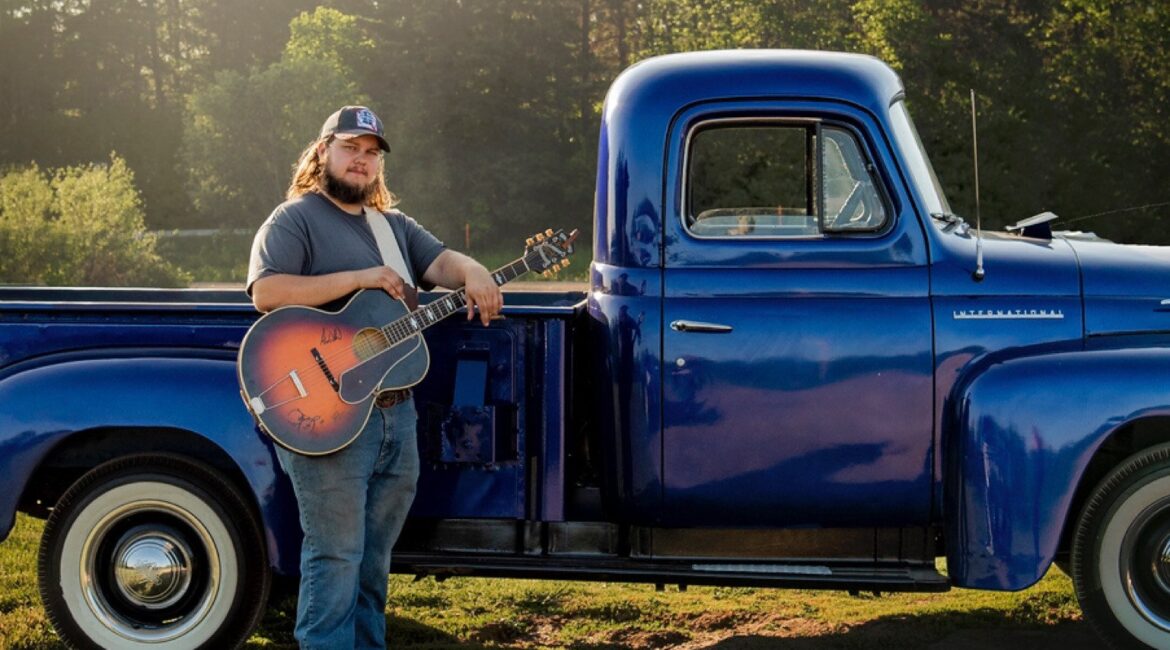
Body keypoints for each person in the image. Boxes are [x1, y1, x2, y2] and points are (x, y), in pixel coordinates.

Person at [246, 105, 502, 649]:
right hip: (326, 411)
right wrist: (361, 277)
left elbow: (442, 263)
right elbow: (267, 293)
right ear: (322, 152)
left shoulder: (393, 228)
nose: (361, 162)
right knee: (335, 554)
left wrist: (475, 272)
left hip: (395, 416)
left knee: (372, 560)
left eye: (371, 154)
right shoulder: (294, 219)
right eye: (350, 148)